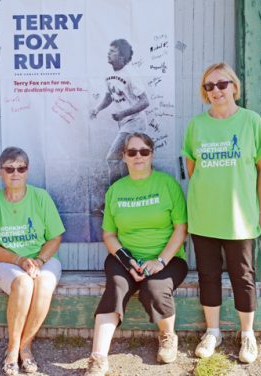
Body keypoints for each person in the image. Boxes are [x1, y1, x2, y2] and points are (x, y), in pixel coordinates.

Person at [182, 62, 261, 364]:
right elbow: (193, 170)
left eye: (222, 84)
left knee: (243, 276)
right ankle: (213, 331)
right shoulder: (196, 125)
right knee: (208, 276)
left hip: (241, 218)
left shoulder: (251, 122)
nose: (216, 90)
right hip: (204, 215)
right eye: (209, 86)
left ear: (234, 86)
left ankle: (247, 334)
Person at [84, 132, 189, 376]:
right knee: (116, 288)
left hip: (169, 258)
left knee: (154, 289)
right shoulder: (116, 191)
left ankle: (167, 335)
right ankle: (98, 358)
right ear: (124, 157)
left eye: (144, 151)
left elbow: (181, 229)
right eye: (132, 152)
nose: (138, 156)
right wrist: (127, 260)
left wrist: (160, 261)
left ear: (152, 154)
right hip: (125, 258)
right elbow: (109, 234)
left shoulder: (167, 185)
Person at [0, 147, 65, 375]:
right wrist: (19, 260)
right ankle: (12, 350)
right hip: (8, 261)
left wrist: (38, 260)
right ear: (0, 172)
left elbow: (55, 237)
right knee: (24, 284)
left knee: (44, 283)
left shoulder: (41, 197)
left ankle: (24, 347)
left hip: (43, 258)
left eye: (21, 168)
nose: (15, 173)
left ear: (27, 171)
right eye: (9, 168)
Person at [90, 39, 150, 184]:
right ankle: (127, 194)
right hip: (124, 124)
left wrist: (123, 113)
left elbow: (145, 101)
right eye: (109, 50)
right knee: (125, 162)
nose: (108, 53)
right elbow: (109, 96)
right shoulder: (108, 73)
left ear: (122, 56)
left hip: (135, 123)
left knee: (112, 158)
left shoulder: (130, 73)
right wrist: (97, 109)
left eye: (113, 51)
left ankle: (114, 194)